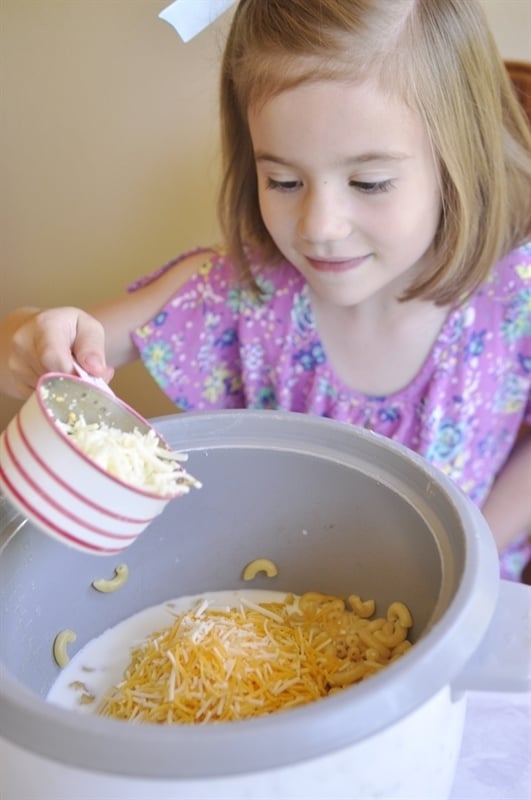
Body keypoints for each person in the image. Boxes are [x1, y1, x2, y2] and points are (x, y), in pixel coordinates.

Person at [1, 0, 530, 580]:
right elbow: (46, 343)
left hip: (469, 607)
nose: (319, 226)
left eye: (369, 182)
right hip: (275, 599)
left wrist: (476, 540)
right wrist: (31, 338)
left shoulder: (514, 297)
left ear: (462, 161)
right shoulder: (236, 295)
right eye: (283, 180)